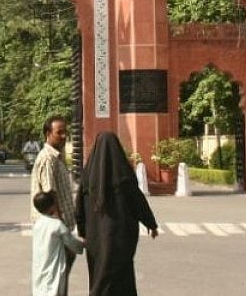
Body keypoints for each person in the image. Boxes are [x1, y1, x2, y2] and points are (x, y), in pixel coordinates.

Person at [75, 131, 159, 296]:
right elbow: (138, 202)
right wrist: (151, 224)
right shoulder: (124, 175)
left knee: (99, 275)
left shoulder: (88, 175)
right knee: (123, 275)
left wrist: (83, 232)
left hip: (96, 238)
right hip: (121, 237)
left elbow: (79, 207)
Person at [30, 115, 76, 295]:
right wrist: (61, 227)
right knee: (55, 279)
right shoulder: (47, 159)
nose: (64, 136)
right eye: (59, 132)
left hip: (58, 228)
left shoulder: (58, 157)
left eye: (65, 132)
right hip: (54, 230)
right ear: (48, 134)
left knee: (59, 278)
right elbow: (51, 195)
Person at [32, 190, 85, 296]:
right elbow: (74, 245)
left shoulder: (38, 224)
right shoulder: (57, 225)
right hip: (54, 269)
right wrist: (84, 244)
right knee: (54, 289)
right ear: (52, 206)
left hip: (40, 266)